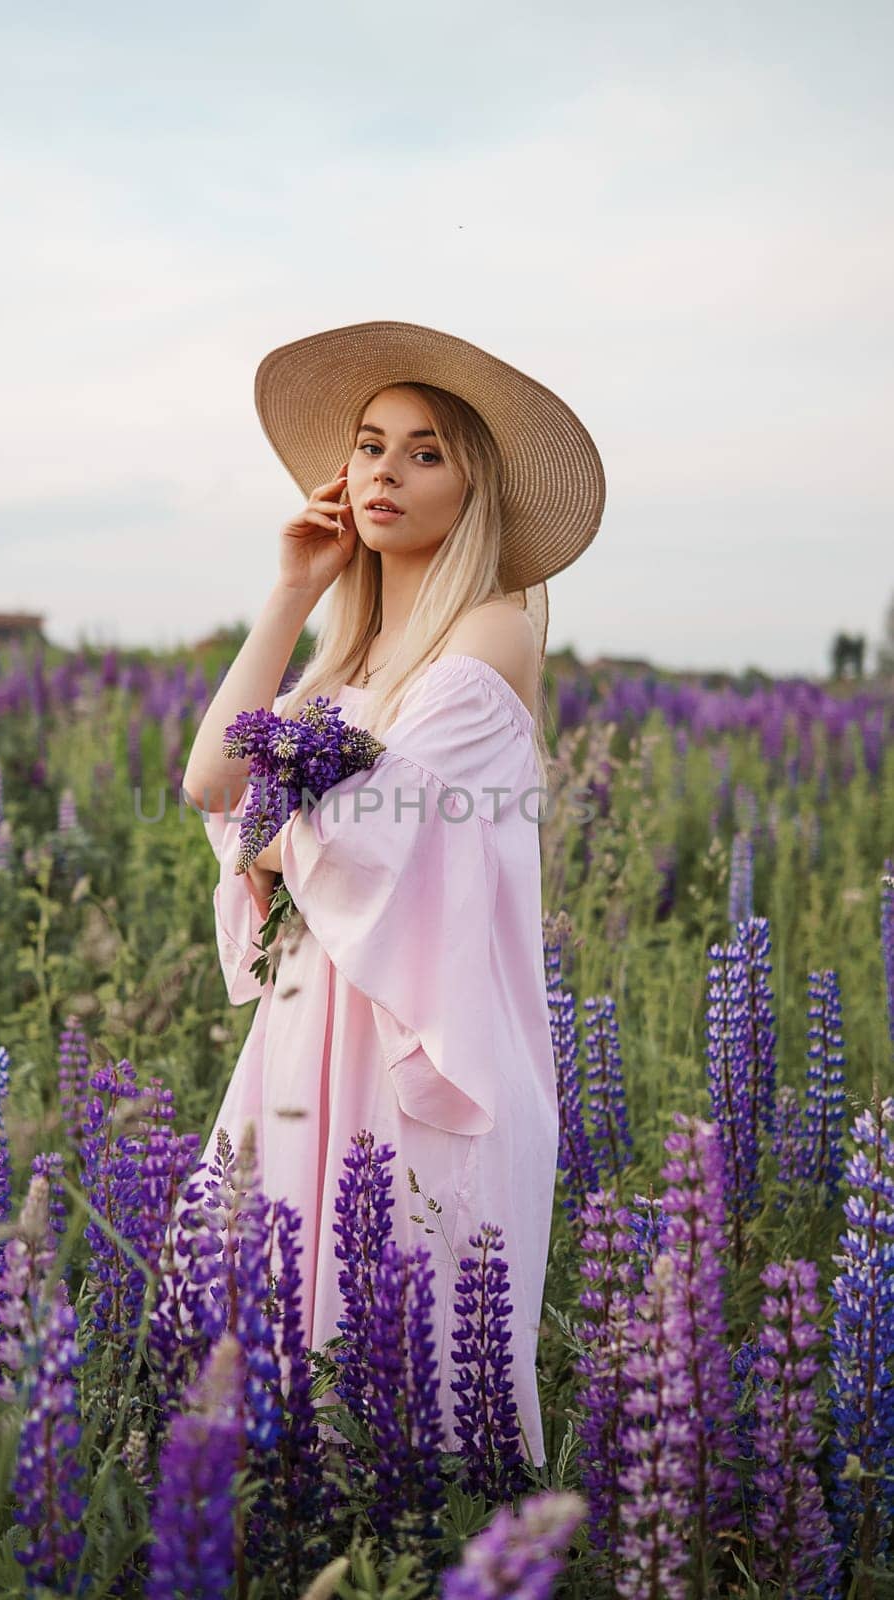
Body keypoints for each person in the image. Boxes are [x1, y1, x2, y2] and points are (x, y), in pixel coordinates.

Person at [181, 320, 605, 1467]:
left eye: (425, 451)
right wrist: (290, 589)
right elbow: (213, 782)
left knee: (405, 1376)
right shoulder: (351, 654)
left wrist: (276, 831)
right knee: (283, 1363)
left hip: (420, 1049)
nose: (383, 470)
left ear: (474, 485)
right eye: (370, 446)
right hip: (310, 1029)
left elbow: (368, 836)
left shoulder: (492, 628)